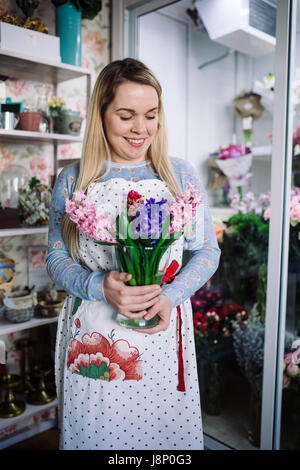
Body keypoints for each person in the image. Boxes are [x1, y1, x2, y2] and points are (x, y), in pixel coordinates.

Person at [46, 58, 221, 451]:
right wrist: (97, 285)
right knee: (100, 438)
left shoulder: (180, 175)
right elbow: (55, 259)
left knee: (161, 441)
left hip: (163, 333)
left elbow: (207, 251)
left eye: (151, 115)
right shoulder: (74, 178)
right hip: (96, 336)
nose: (141, 128)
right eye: (126, 116)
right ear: (102, 115)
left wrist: (171, 296)